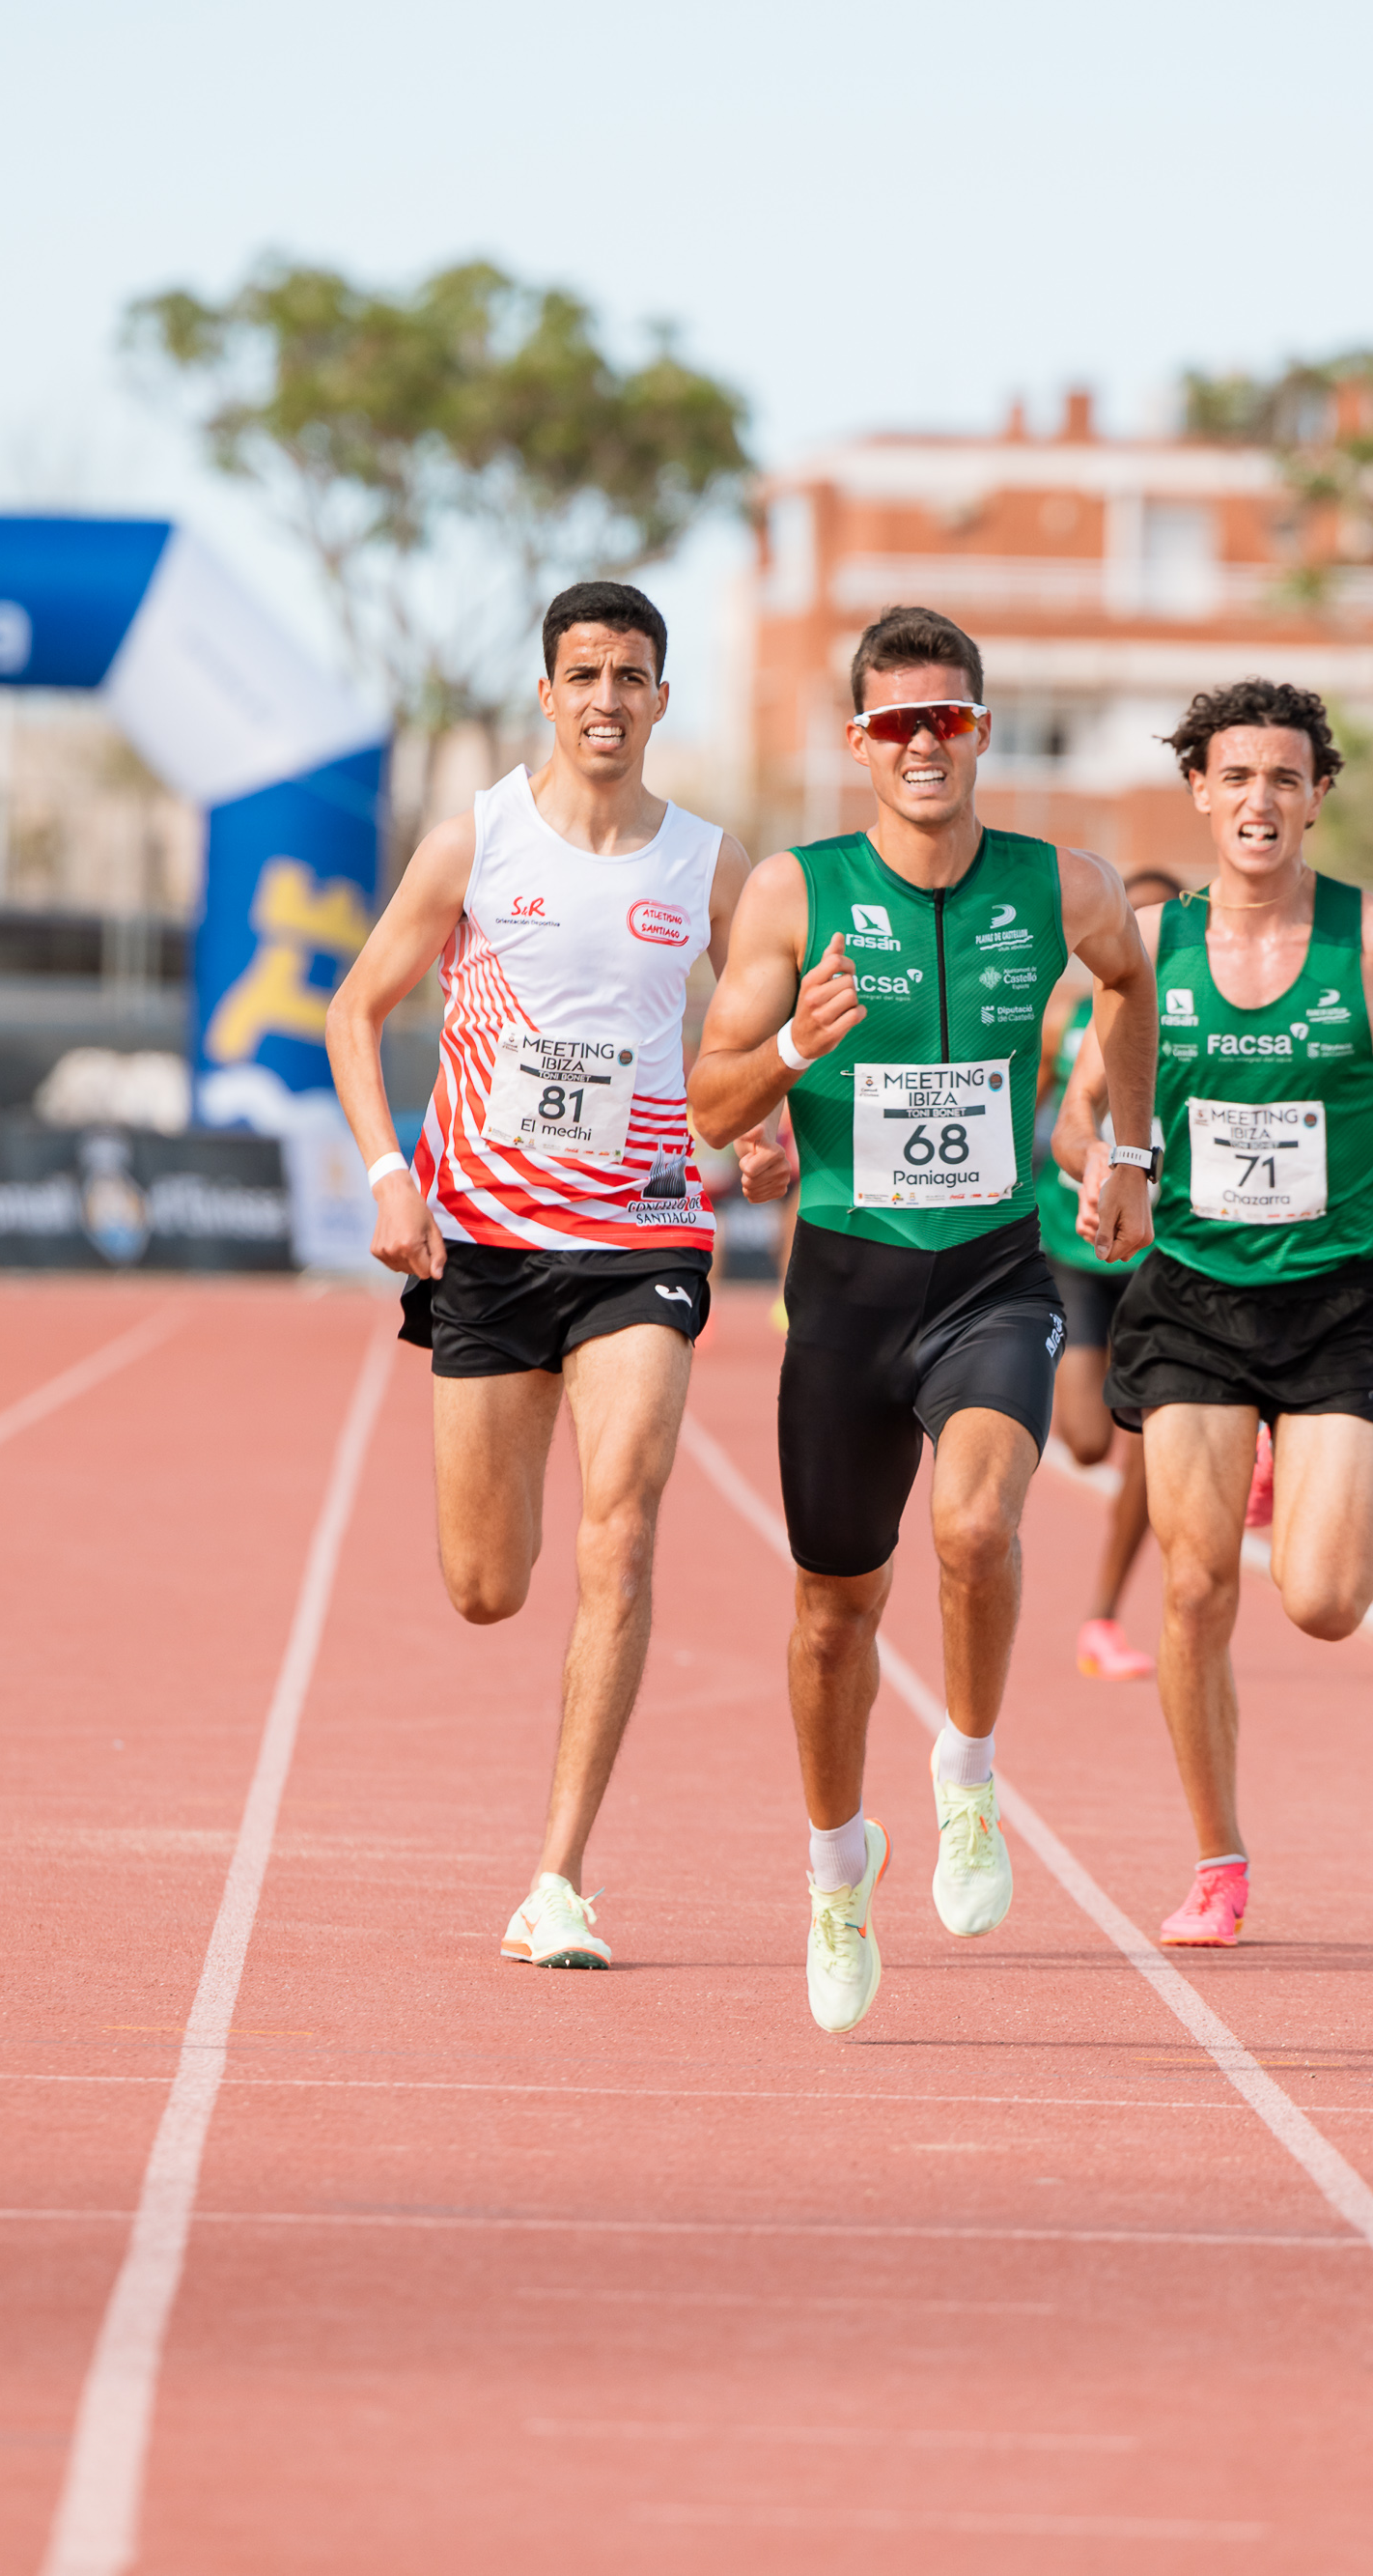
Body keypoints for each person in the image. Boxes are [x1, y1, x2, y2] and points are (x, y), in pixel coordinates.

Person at [687, 605, 1158, 2035]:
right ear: (859, 746)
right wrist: (787, 1051)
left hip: (991, 1275)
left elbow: (1132, 983)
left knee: (974, 1527)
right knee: (833, 1612)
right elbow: (710, 1107)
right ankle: (839, 1871)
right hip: (842, 1288)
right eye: (896, 723)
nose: (923, 743)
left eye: (945, 718)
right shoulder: (791, 893)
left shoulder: (1062, 884)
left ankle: (966, 1773)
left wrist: (1125, 1154)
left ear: (979, 731)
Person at [322, 580, 763, 1975]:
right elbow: (355, 1007)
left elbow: (768, 1032)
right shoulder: (477, 841)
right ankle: (553, 1850)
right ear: (548, 693)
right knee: (486, 1582)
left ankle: (560, 1875)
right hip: (490, 1248)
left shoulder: (710, 865)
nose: (607, 700)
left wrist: (767, 1131)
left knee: (620, 1534)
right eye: (584, 675)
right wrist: (391, 1173)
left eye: (632, 676)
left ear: (662, 698)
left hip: (645, 1236)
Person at [1072, 679, 1373, 1946]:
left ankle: (1299, 1472)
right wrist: (1105, 1162)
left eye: (1285, 779)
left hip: (1335, 1303)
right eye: (1237, 776)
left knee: (1321, 1598)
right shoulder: (1147, 952)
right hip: (1192, 1297)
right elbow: (1091, 1097)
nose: (1260, 800)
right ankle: (1217, 1862)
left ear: (1317, 797)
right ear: (1199, 790)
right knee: (1195, 1593)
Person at [1037, 866, 1190, 1679]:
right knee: (1089, 1441)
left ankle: (1104, 1612)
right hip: (1075, 1244)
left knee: (1147, 1443)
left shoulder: (1190, 1007)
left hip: (1164, 1254)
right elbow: (1042, 1111)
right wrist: (1087, 1154)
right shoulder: (1064, 1013)